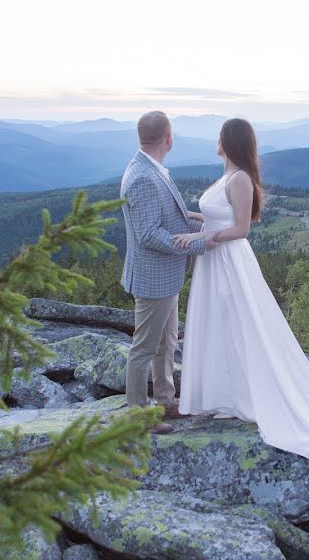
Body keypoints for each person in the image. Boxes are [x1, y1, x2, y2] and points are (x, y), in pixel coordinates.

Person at [172, 118, 309, 467]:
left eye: (219, 135)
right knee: (219, 326)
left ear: (229, 141)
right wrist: (188, 215)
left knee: (243, 326)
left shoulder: (242, 177)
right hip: (214, 262)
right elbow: (218, 217)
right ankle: (228, 397)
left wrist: (201, 237)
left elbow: (241, 229)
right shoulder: (227, 176)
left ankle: (252, 396)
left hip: (229, 261)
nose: (215, 140)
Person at [119, 110, 216, 435]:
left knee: (166, 342)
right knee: (144, 347)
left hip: (165, 277)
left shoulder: (150, 169)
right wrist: (197, 245)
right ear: (168, 138)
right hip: (152, 278)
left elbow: (169, 222)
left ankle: (165, 400)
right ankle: (137, 415)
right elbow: (149, 233)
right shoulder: (144, 176)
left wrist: (206, 226)